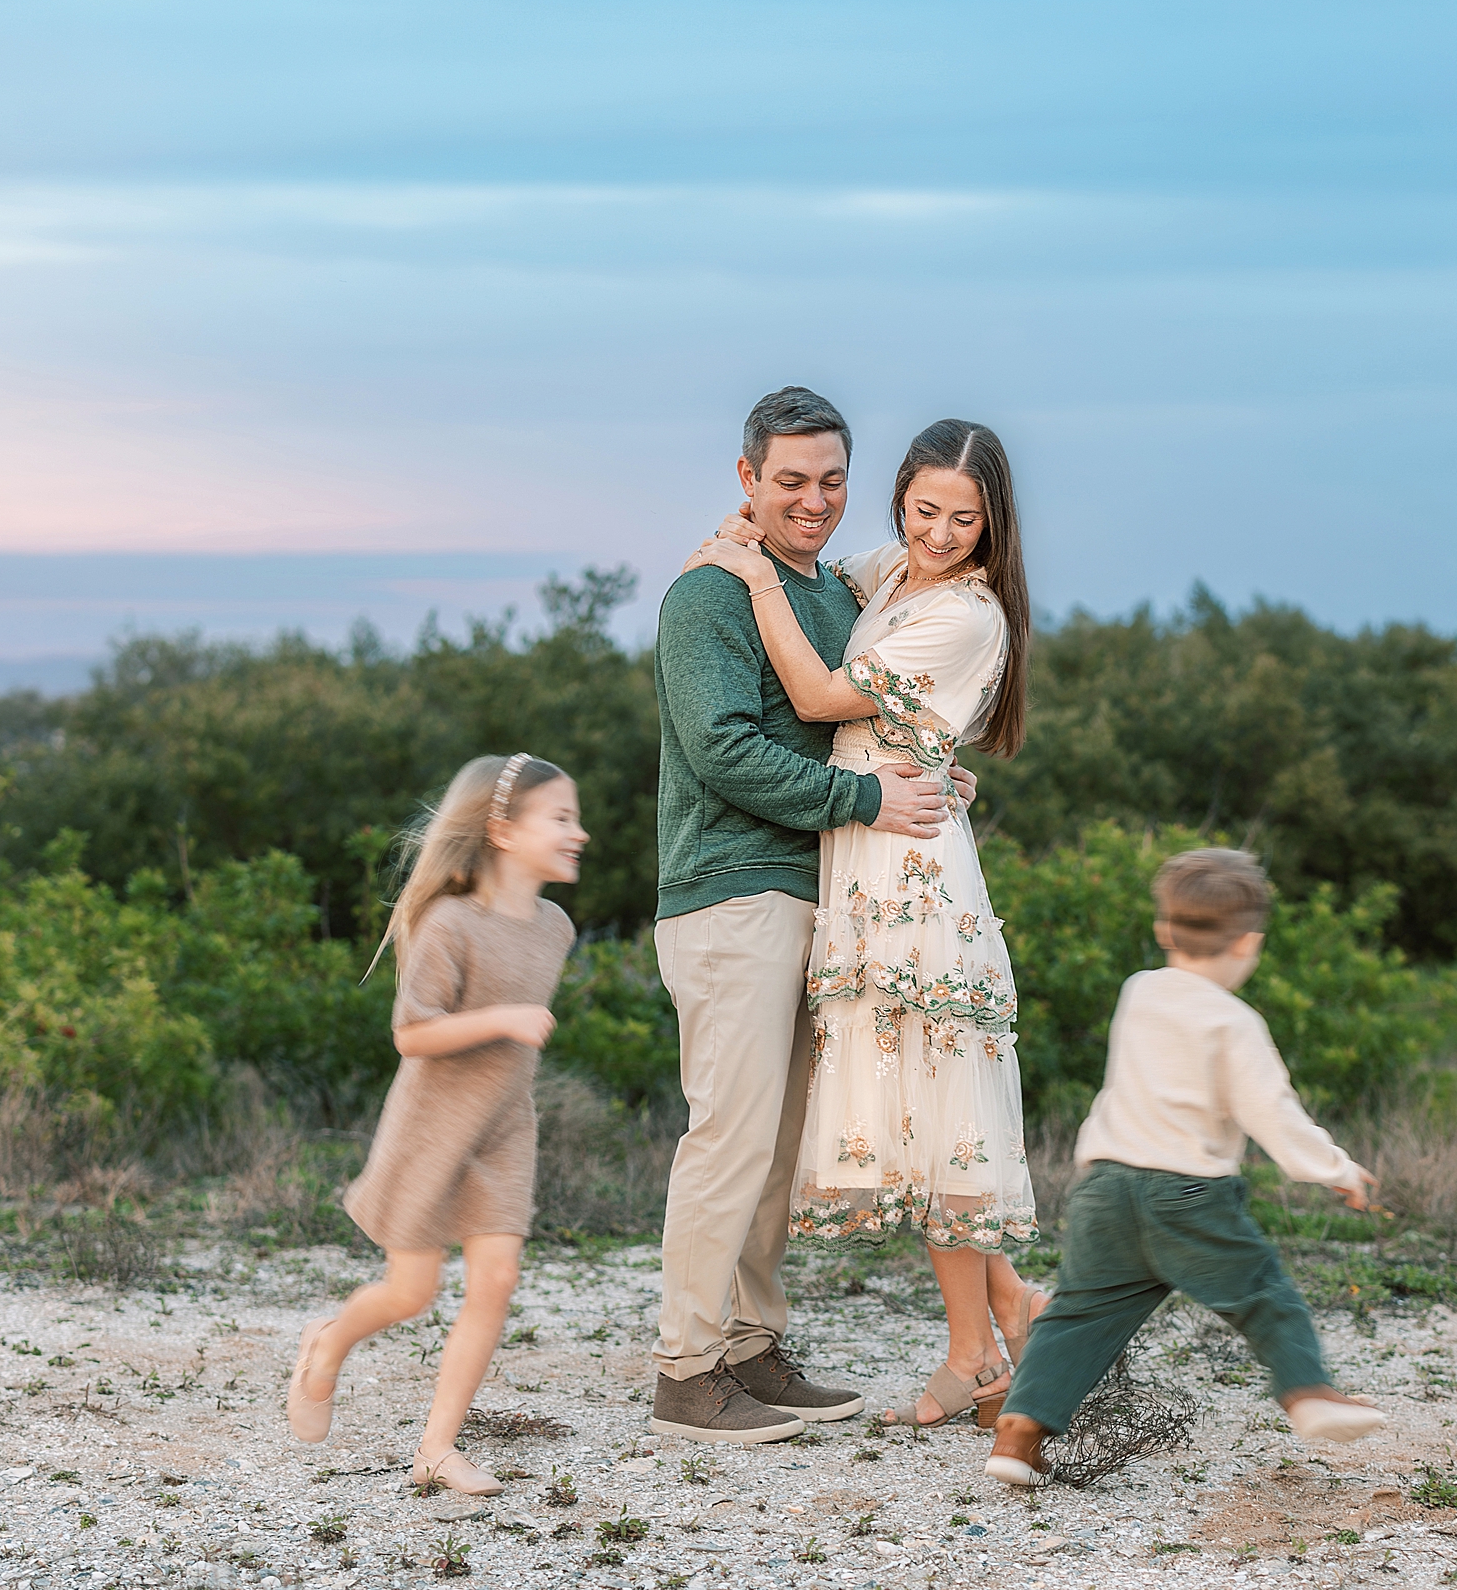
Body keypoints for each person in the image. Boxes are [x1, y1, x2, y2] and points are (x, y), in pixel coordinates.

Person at [685, 417, 1049, 1430]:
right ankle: (997, 1328)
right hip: (867, 843)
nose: (938, 532)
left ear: (994, 524)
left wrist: (751, 583)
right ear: (900, 500)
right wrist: (745, 532)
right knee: (921, 1109)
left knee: (937, 1108)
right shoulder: (891, 571)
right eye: (924, 508)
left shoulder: (966, 616)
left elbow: (814, 689)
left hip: (905, 861)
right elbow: (797, 551)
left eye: (963, 518)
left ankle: (990, 1334)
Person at [647, 387, 974, 1445]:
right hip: (731, 895)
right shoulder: (706, 595)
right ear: (746, 479)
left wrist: (926, 775)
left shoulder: (831, 592)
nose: (814, 499)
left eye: (831, 479)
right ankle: (686, 1371)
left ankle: (748, 1343)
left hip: (818, 898)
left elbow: (864, 721)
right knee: (729, 1139)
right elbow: (726, 752)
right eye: (789, 480)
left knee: (781, 1150)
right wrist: (867, 799)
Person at [980, 848, 1388, 1489]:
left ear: (1164, 931)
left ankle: (1020, 1433)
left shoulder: (1138, 992)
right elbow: (1272, 1114)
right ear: (1249, 943)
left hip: (1106, 1190)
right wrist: (1333, 1168)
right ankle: (1309, 1394)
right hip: (1186, 1194)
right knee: (1261, 1295)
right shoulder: (1235, 1022)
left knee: (1079, 1314)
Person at [285, 752, 587, 1495]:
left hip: (505, 1128)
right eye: (561, 818)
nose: (579, 834)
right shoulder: (451, 922)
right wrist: (504, 1018)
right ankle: (325, 1342)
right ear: (502, 831)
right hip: (432, 1128)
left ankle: (437, 1447)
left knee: (497, 1278)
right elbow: (412, 1034)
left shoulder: (555, 926)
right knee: (411, 1291)